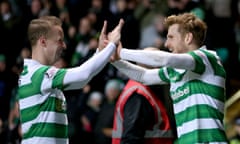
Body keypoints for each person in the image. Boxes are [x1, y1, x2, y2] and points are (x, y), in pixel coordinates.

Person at [110, 13, 228, 143]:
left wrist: (122, 52)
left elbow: (164, 59)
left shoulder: (207, 58)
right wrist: (116, 60)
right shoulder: (174, 71)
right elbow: (143, 76)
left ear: (188, 38)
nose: (166, 44)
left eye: (171, 37)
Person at [17, 15, 124, 144]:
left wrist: (100, 52)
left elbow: (81, 81)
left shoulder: (35, 75)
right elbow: (83, 74)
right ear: (43, 42)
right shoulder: (38, 75)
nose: (64, 46)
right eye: (59, 40)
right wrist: (111, 45)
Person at [112, 47, 174, 144]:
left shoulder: (146, 91)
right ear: (153, 67)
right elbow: (131, 139)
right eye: (160, 62)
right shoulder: (139, 95)